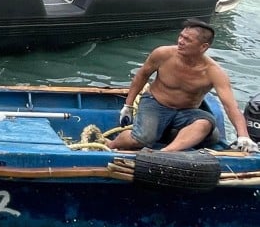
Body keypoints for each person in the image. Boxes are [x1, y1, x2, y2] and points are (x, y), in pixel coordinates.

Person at [108, 19, 259, 153]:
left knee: (207, 126)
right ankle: (111, 144)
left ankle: (165, 153)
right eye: (180, 36)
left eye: (187, 39)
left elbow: (230, 106)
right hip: (156, 103)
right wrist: (128, 106)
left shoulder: (214, 72)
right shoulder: (162, 54)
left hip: (186, 111)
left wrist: (243, 135)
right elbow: (142, 75)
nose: (180, 41)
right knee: (142, 138)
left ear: (203, 47)